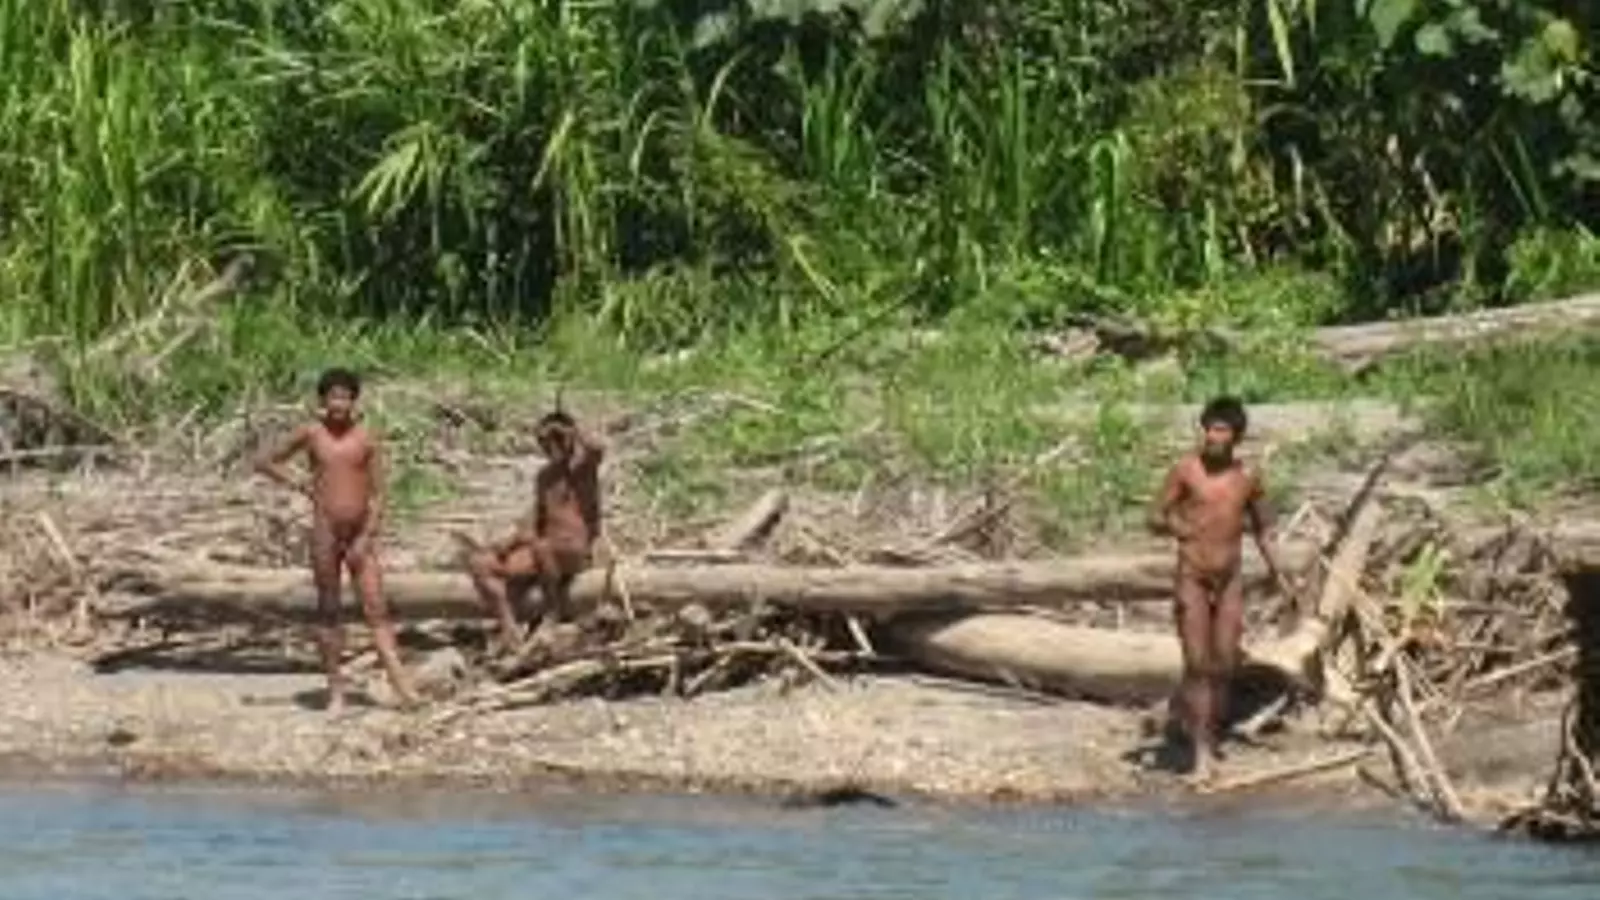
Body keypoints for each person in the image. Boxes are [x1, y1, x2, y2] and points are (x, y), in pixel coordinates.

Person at [255, 367, 421, 712]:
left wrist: (367, 535)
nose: (339, 404)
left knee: (376, 608)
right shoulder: (312, 433)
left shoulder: (366, 438)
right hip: (325, 532)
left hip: (359, 533)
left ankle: (401, 683)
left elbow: (379, 494)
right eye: (333, 397)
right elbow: (265, 461)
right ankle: (336, 690)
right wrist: (298, 483)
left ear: (354, 401)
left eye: (345, 397)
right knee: (329, 611)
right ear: (323, 400)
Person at [1147, 395, 1285, 784]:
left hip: (1230, 581)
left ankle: (1198, 722)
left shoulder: (1248, 478)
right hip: (1191, 575)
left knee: (1223, 662)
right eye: (1209, 428)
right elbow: (1154, 515)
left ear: (1235, 435)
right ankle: (1201, 754)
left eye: (1221, 429)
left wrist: (1279, 572)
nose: (1213, 435)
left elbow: (1264, 528)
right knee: (1197, 664)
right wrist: (1179, 527)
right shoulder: (1185, 470)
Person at [465, 408, 605, 653]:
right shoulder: (544, 477)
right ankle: (508, 624)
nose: (549, 447)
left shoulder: (582, 469)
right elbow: (536, 518)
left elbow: (597, 447)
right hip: (544, 550)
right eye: (543, 442)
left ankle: (552, 612)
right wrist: (511, 542)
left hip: (573, 551)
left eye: (555, 439)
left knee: (542, 546)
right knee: (481, 563)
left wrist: (572, 428)